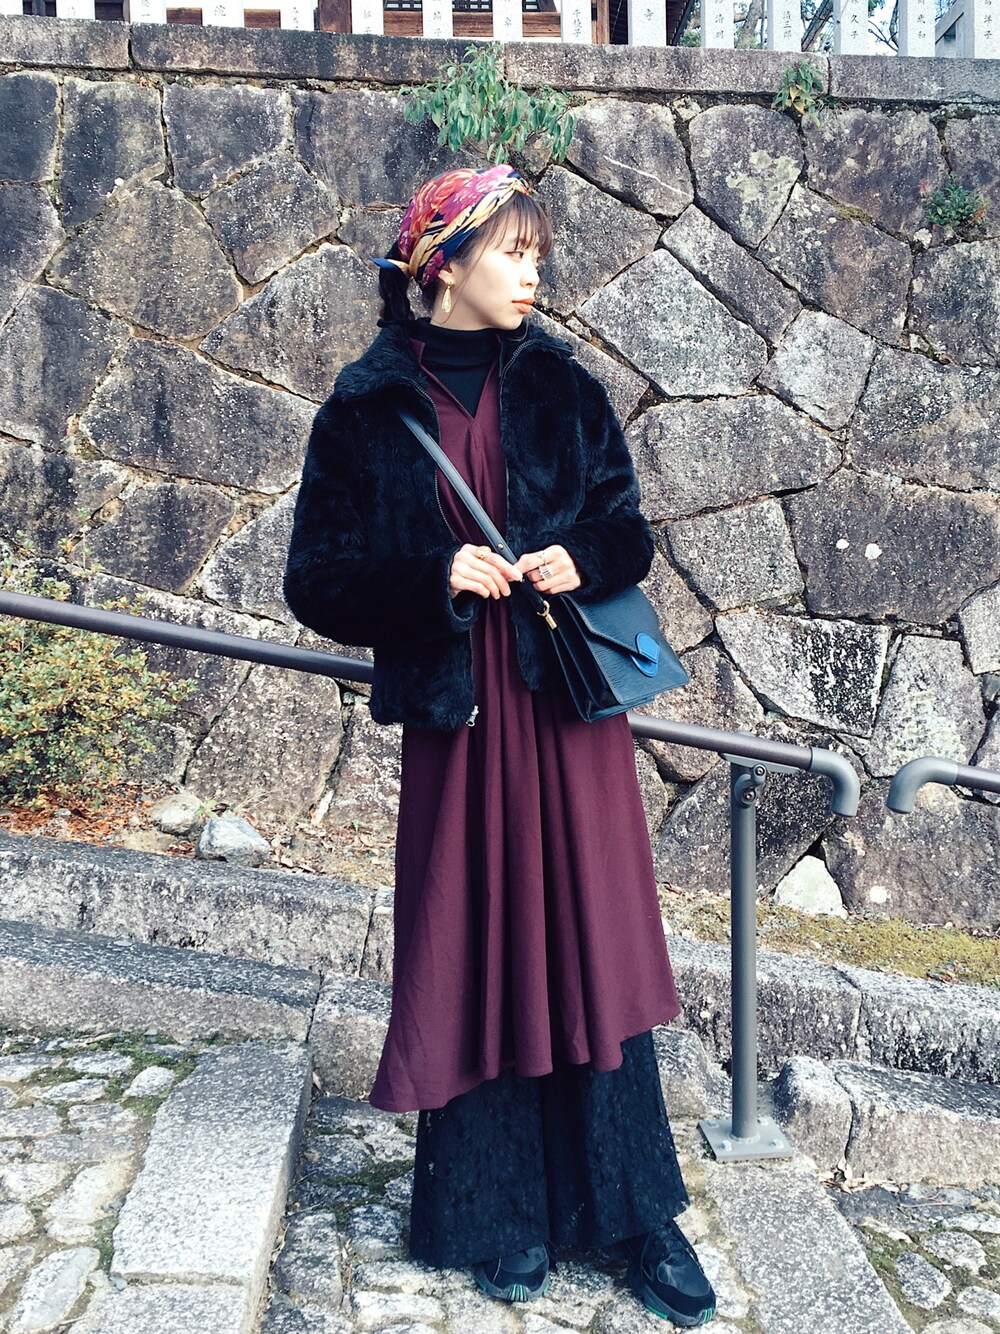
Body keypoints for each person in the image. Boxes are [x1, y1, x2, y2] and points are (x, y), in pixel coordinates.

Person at [283, 164, 716, 1326]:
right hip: (460, 724)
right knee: (475, 948)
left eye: (536, 253)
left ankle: (636, 1216)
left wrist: (586, 554)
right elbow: (316, 578)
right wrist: (432, 578)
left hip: (568, 721)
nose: (532, 273)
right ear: (446, 263)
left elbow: (625, 527)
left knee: (591, 947)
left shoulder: (564, 386)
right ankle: (497, 1211)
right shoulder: (365, 410)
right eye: (513, 251)